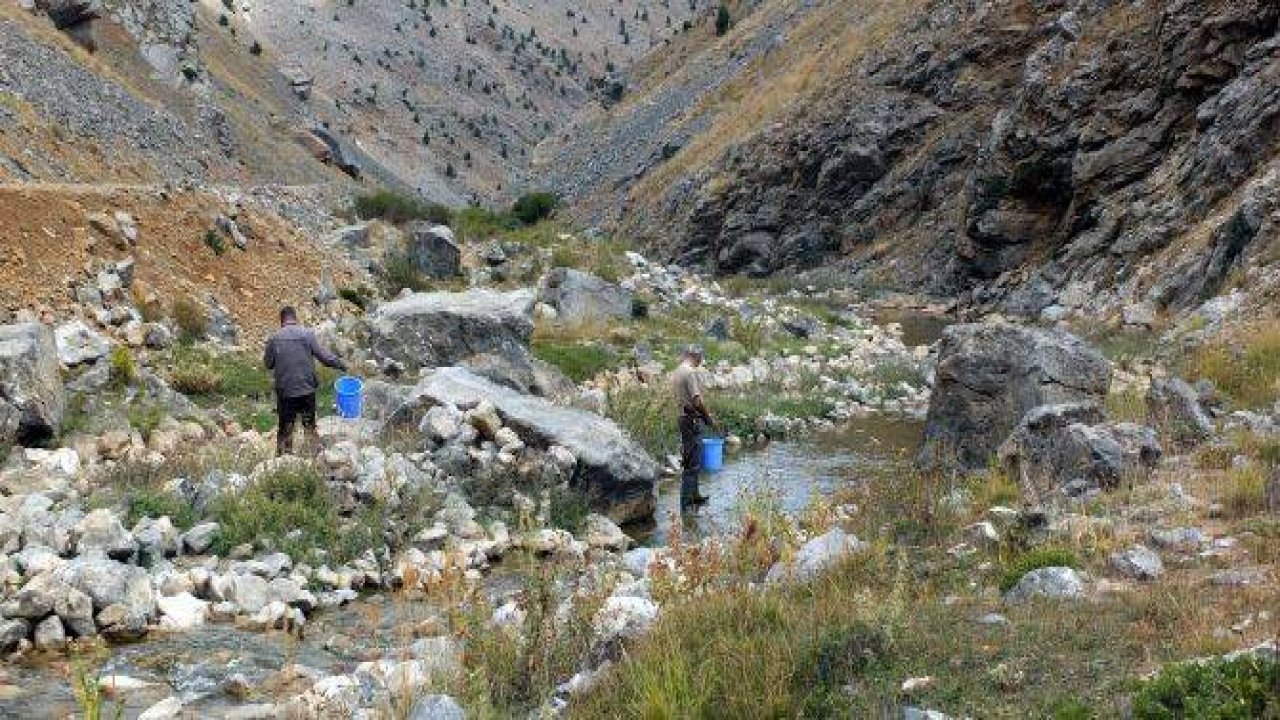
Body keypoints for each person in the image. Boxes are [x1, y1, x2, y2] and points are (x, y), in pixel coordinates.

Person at [264, 306, 347, 456]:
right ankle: (314, 459)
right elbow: (324, 357)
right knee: (309, 427)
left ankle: (284, 461)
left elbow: (268, 363)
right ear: (295, 318)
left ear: (281, 320)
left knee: (285, 430)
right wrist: (341, 364)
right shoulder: (307, 334)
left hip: (286, 393)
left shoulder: (274, 338)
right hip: (307, 391)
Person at [672, 344, 715, 507]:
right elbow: (697, 401)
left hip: (683, 418)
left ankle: (695, 496)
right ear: (697, 357)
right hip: (691, 420)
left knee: (692, 460)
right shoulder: (689, 373)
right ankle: (686, 505)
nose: (700, 362)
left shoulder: (678, 370)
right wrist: (707, 417)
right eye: (701, 359)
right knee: (692, 463)